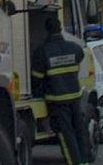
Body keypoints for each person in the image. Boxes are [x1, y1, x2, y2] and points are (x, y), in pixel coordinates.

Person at [32, 16, 94, 165]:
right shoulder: (75, 48)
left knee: (66, 135)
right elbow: (79, 59)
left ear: (46, 30)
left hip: (57, 100)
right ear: (60, 28)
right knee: (79, 130)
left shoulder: (42, 52)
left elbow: (36, 79)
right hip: (75, 97)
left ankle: (74, 162)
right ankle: (84, 161)